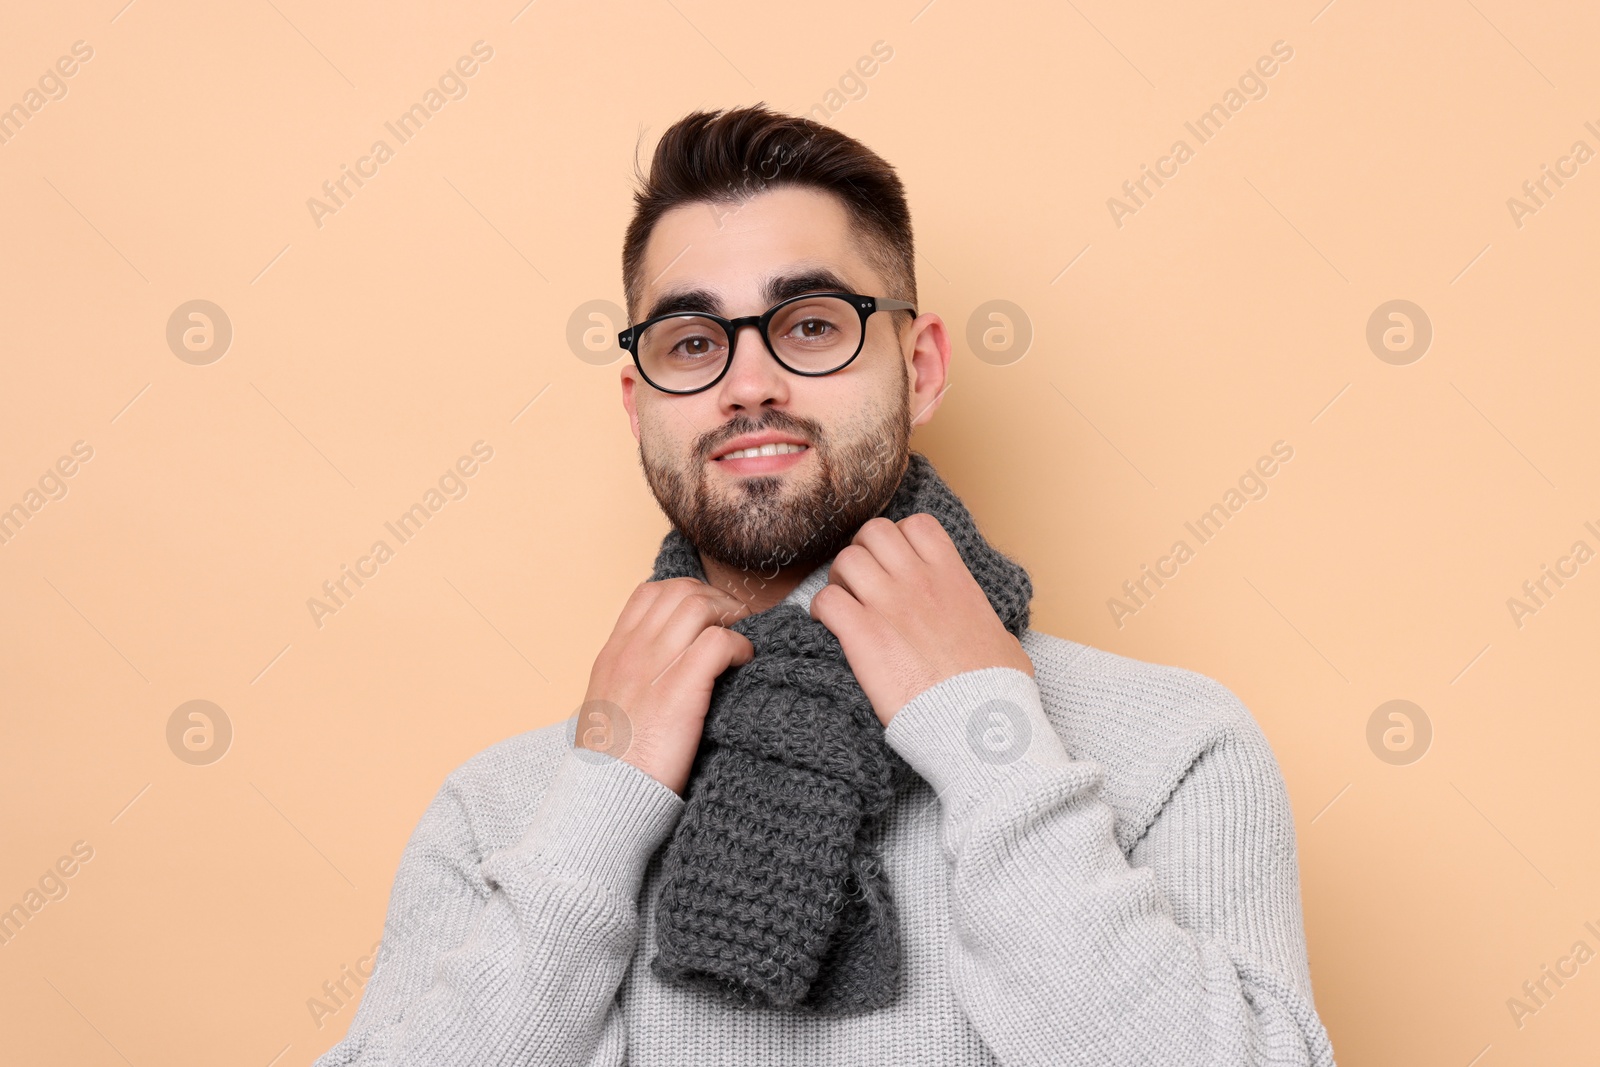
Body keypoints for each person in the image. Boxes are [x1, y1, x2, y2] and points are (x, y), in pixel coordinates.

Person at [311, 103, 1337, 1066]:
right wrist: (602, 802)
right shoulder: (509, 807)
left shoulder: (1168, 746)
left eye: (809, 324)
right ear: (637, 404)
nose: (747, 382)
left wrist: (989, 736)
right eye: (692, 342)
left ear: (921, 366)